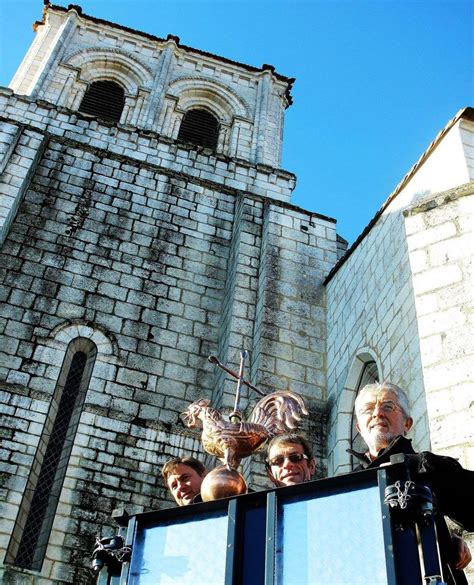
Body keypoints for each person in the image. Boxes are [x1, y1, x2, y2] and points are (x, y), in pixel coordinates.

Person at [350, 381, 473, 583]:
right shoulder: (349, 485)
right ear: (359, 427)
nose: (377, 413)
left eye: (388, 406)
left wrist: (445, 536)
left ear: (407, 423)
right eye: (367, 409)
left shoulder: (427, 466)